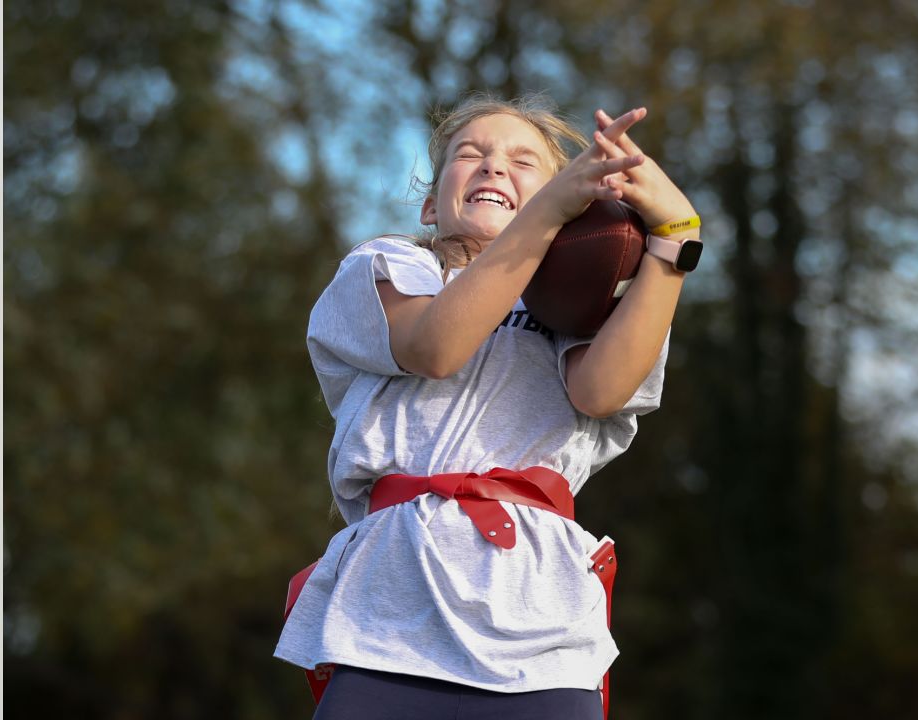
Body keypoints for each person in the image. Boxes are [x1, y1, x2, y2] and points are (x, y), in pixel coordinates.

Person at [275, 93, 702, 720]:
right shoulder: (388, 269)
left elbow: (600, 390)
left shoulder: (579, 306)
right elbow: (436, 346)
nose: (494, 166)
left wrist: (674, 241)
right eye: (469, 154)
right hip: (392, 611)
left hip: (542, 621)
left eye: (524, 161)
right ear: (429, 204)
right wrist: (548, 209)